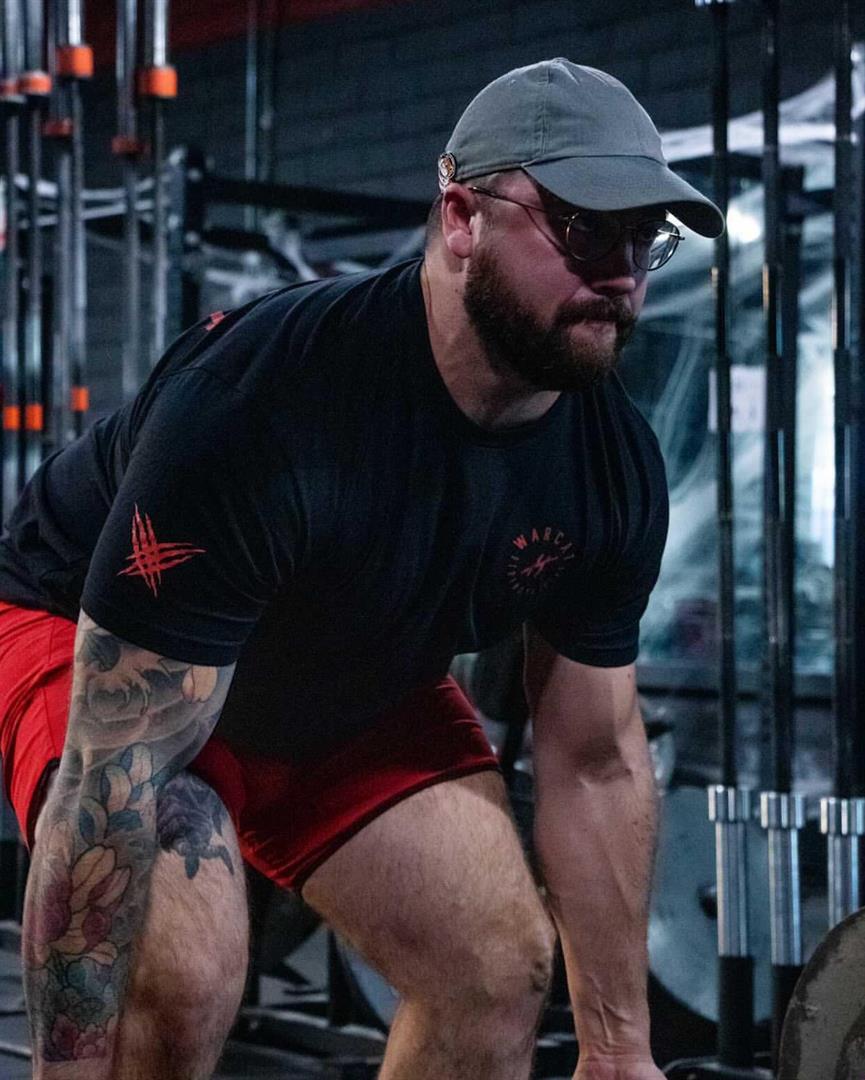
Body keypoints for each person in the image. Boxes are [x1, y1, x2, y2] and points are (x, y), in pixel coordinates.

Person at [0, 58, 723, 1080]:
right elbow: (112, 774)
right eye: (581, 230)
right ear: (461, 218)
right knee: (182, 974)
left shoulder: (609, 466)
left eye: (643, 238)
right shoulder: (263, 406)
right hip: (94, 639)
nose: (621, 273)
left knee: (493, 971)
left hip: (343, 663)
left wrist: (618, 1052)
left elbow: (594, 759)